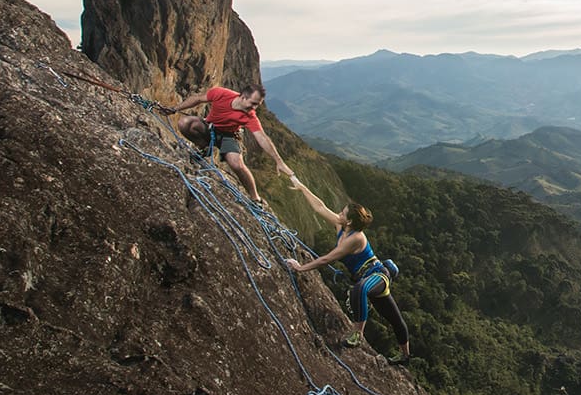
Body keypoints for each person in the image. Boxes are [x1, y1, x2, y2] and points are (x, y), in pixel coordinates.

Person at [285, 175, 410, 356]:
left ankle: (359, 335)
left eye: (343, 213)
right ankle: (404, 355)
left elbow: (326, 259)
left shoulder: (356, 238)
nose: (339, 214)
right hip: (368, 279)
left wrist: (299, 267)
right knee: (394, 318)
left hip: (377, 275)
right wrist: (302, 187)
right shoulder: (341, 226)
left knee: (360, 291)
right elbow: (320, 207)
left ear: (349, 221)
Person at [159, 83, 293, 204]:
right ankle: (204, 148)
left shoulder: (250, 116)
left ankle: (255, 198)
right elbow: (198, 98)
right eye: (253, 103)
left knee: (237, 164)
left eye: (257, 105)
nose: (254, 108)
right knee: (185, 123)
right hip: (210, 127)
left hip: (229, 136)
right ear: (243, 97)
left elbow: (262, 138)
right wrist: (175, 109)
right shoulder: (221, 94)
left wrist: (278, 160)